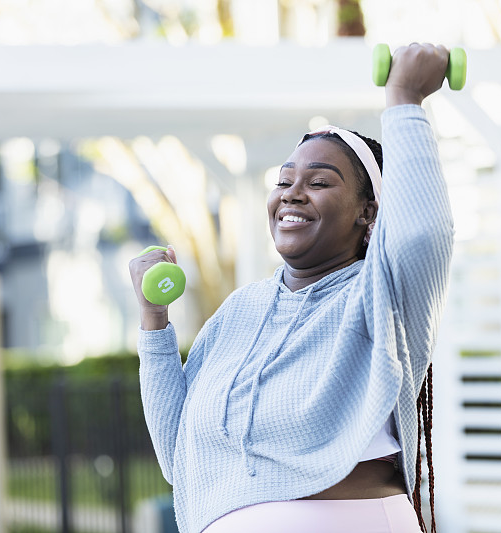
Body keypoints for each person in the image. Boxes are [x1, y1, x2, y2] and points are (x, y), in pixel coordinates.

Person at [129, 43, 455, 533]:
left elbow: (424, 232)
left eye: (319, 182)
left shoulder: (382, 292)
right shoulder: (241, 309)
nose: (292, 193)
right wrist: (154, 323)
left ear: (369, 213)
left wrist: (405, 101)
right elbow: (178, 458)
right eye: (284, 180)